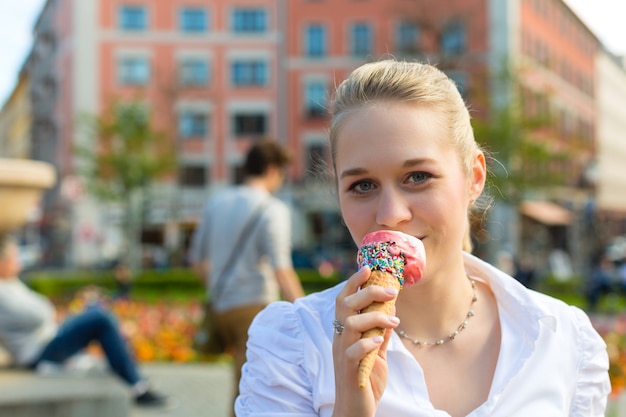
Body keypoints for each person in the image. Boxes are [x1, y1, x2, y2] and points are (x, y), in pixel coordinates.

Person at [235, 60, 610, 416]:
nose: (390, 214)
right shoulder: (292, 345)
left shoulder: (563, 340)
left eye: (418, 177)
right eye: (362, 185)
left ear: (474, 178)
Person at [188, 139, 305, 414]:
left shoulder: (217, 203)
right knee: (251, 390)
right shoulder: (272, 209)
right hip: (254, 307)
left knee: (242, 381)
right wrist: (305, 312)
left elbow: (196, 261)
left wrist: (220, 288)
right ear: (273, 170)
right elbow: (282, 270)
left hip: (221, 305)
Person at [0, 234, 168, 407]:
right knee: (100, 319)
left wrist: (49, 311)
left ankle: (133, 375)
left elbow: (41, 312)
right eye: (14, 257)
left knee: (96, 309)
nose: (19, 261)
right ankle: (137, 386)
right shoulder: (2, 291)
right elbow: (40, 314)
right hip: (39, 354)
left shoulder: (11, 284)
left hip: (48, 340)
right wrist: (48, 310)